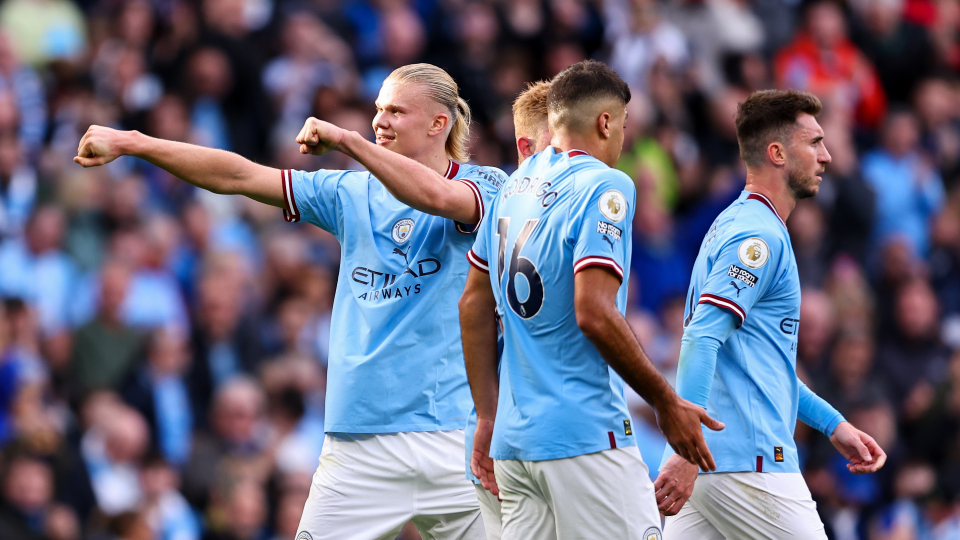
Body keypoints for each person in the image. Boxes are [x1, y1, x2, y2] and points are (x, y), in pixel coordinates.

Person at [75, 63, 508, 540]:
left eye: (396, 111)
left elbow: (440, 198)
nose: (379, 121)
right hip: (359, 444)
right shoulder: (349, 192)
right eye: (378, 109)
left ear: (438, 123)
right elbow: (239, 175)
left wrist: (347, 142)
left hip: (452, 439)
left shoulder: (487, 185)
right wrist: (136, 143)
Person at [459, 59, 723, 539]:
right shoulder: (605, 184)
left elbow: (472, 304)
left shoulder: (510, 187)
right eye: (623, 126)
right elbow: (594, 313)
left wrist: (487, 414)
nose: (623, 140)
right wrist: (666, 402)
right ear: (606, 122)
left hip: (516, 446)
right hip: (584, 436)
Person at [653, 89, 887, 539]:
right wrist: (688, 448)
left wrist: (833, 425)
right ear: (777, 153)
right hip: (749, 464)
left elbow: (763, 369)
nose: (828, 156)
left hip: (714, 464)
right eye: (814, 143)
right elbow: (701, 339)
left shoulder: (735, 223)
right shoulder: (756, 238)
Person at [460, 80, 552, 540]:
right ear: (526, 145)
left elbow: (473, 304)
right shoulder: (503, 192)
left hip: (501, 429)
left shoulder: (506, 206)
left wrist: (486, 416)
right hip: (553, 436)